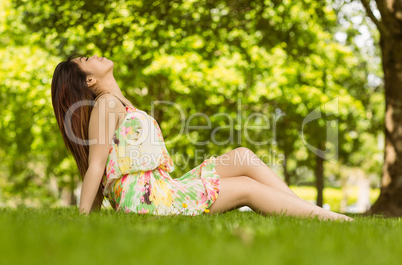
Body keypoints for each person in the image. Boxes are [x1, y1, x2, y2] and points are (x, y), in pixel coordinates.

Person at [51, 54, 354, 222]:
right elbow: (96, 166)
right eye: (87, 58)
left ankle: (307, 211)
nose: (95, 53)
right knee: (247, 187)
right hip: (147, 201)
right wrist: (83, 219)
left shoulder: (119, 103)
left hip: (158, 189)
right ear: (89, 80)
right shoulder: (106, 105)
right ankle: (332, 220)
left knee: (242, 156)